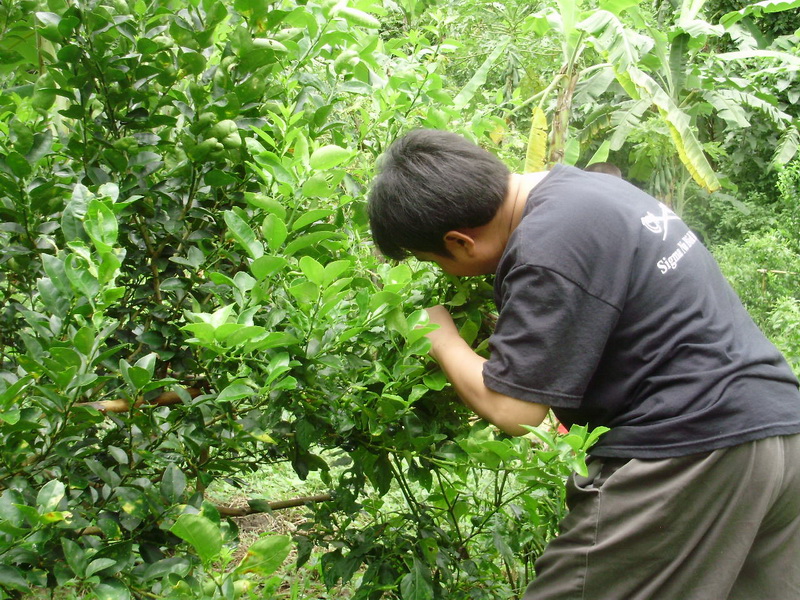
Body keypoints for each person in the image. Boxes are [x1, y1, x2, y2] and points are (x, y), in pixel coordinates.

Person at [367, 128, 800, 599]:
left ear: (459, 242)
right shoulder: (591, 191)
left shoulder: (548, 244)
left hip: (692, 449)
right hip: (779, 429)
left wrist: (439, 336)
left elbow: (514, 410)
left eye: (434, 261)